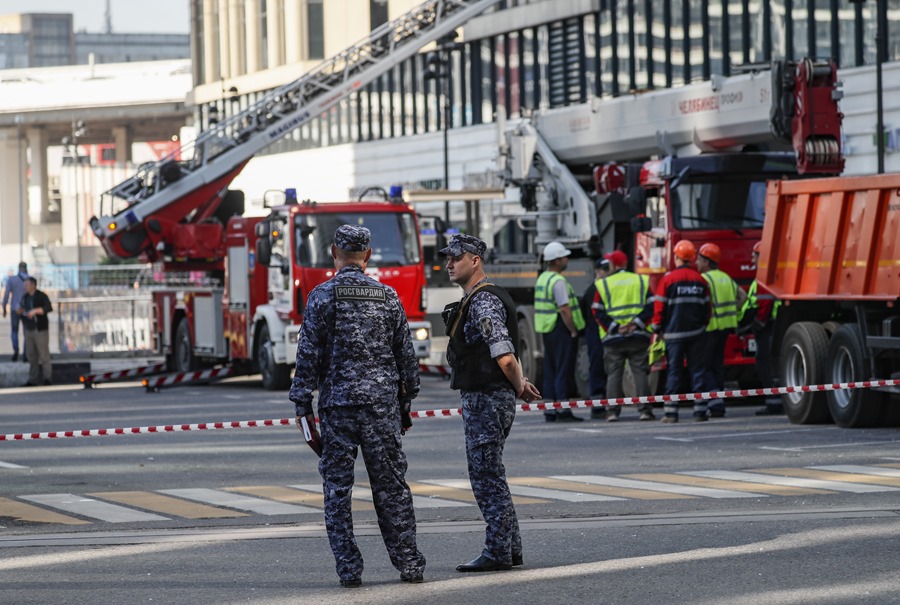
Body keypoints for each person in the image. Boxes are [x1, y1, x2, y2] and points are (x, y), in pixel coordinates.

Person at [288, 225, 426, 588]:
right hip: (382, 408)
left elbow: (308, 357)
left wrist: (302, 403)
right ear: (367, 255)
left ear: (334, 252)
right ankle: (409, 564)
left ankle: (349, 570)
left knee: (337, 490)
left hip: (338, 409)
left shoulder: (321, 297)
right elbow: (407, 360)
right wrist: (405, 402)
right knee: (392, 488)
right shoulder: (387, 296)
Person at [440, 233, 540, 572]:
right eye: (448, 258)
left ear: (475, 260)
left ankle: (497, 551)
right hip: (489, 396)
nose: (449, 264)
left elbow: (505, 356)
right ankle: (511, 548)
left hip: (486, 398)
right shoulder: (481, 297)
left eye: (456, 258)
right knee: (492, 473)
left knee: (485, 477)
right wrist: (518, 384)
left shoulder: (483, 301)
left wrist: (519, 385)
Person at [592, 250, 655, 422]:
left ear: (613, 265)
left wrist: (615, 327)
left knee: (614, 374)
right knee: (640, 372)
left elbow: (596, 310)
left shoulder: (604, 284)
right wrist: (636, 324)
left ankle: (612, 412)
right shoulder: (641, 280)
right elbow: (651, 306)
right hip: (638, 335)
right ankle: (645, 411)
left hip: (614, 338)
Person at [652, 240, 711, 423]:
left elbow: (659, 307)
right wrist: (702, 326)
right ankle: (700, 411)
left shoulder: (668, 280)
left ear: (676, 257)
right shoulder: (700, 280)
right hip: (696, 334)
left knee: (674, 372)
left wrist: (657, 329)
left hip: (673, 335)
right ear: (692, 258)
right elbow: (707, 309)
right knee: (698, 371)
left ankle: (671, 413)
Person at [534, 241, 585, 422]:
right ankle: (563, 410)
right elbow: (564, 309)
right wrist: (573, 330)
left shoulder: (542, 278)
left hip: (547, 328)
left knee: (551, 369)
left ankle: (550, 410)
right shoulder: (558, 281)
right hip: (560, 327)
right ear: (556, 261)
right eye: (564, 257)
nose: (567, 260)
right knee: (563, 369)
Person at [697, 243, 747, 418]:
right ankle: (718, 402)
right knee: (717, 366)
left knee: (705, 367)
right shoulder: (726, 278)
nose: (696, 263)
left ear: (707, 261)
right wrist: (735, 311)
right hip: (726, 328)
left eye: (699, 259)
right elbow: (743, 296)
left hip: (710, 328)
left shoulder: (705, 280)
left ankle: (716, 404)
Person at [741, 241, 784, 415]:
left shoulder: (764, 277)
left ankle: (773, 403)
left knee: (766, 365)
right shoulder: (767, 276)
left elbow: (765, 302)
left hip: (767, 327)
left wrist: (758, 323)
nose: (752, 258)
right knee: (768, 364)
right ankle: (774, 401)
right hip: (770, 325)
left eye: (754, 255)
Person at [581, 258, 610, 419]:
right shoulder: (594, 290)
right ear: (598, 271)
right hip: (596, 333)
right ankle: (598, 408)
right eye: (604, 270)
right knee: (598, 368)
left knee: (605, 369)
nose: (606, 273)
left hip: (600, 332)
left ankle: (602, 405)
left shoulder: (597, 288)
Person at [18, 276, 53, 386]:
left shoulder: (41, 296)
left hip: (40, 330)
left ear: (33, 285)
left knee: (44, 355)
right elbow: (22, 308)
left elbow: (48, 308)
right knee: (31, 356)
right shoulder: (25, 297)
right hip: (29, 330)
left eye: (27, 285)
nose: (25, 287)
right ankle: (33, 379)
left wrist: (35, 311)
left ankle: (47, 378)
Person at [2, 262, 30, 362]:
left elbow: (6, 295)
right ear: (26, 268)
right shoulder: (29, 279)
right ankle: (26, 354)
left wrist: (4, 308)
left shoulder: (12, 279)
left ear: (18, 268)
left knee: (14, 331)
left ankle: (16, 351)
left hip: (14, 309)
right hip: (26, 310)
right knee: (27, 332)